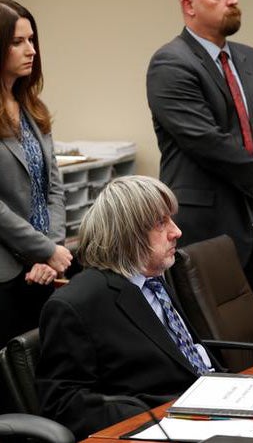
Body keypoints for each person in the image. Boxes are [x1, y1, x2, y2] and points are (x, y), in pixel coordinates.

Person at [146, 0, 253, 346]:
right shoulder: (171, 64)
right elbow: (211, 144)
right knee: (219, 342)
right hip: (210, 228)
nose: (232, 0)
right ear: (189, 6)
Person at [36, 176, 225, 440]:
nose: (176, 231)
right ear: (128, 234)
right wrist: (155, 416)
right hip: (164, 427)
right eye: (161, 223)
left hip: (213, 403)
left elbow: (185, 356)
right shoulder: (76, 304)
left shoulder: (154, 280)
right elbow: (64, 404)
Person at [0, 0, 72, 349]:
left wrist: (52, 250)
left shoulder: (31, 106)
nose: (31, 50)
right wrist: (43, 248)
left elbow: (54, 188)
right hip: (6, 273)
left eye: (32, 40)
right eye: (17, 42)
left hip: (41, 268)